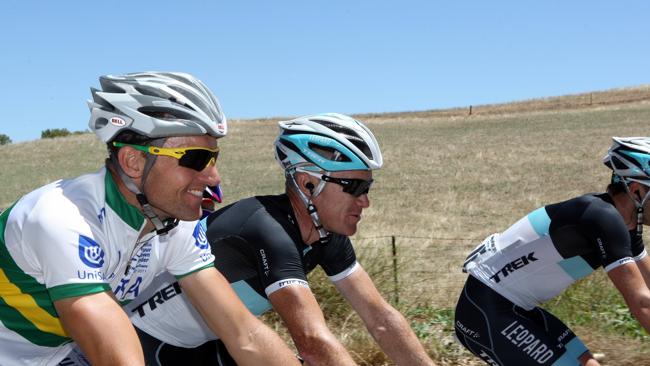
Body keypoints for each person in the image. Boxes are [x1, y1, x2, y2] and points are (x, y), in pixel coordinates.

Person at [0, 71, 300, 366]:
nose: (213, 176)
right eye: (195, 158)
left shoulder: (174, 225)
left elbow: (244, 334)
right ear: (133, 161)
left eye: (213, 158)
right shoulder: (62, 218)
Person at [125, 113, 436, 365]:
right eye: (354, 187)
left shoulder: (325, 233)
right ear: (308, 183)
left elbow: (380, 318)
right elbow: (313, 342)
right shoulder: (265, 227)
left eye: (367, 189)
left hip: (217, 341)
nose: (364, 201)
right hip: (147, 343)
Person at [454, 137, 650, 366]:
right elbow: (641, 301)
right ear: (636, 191)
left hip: (514, 308)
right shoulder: (602, 218)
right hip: (487, 311)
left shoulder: (625, 227)